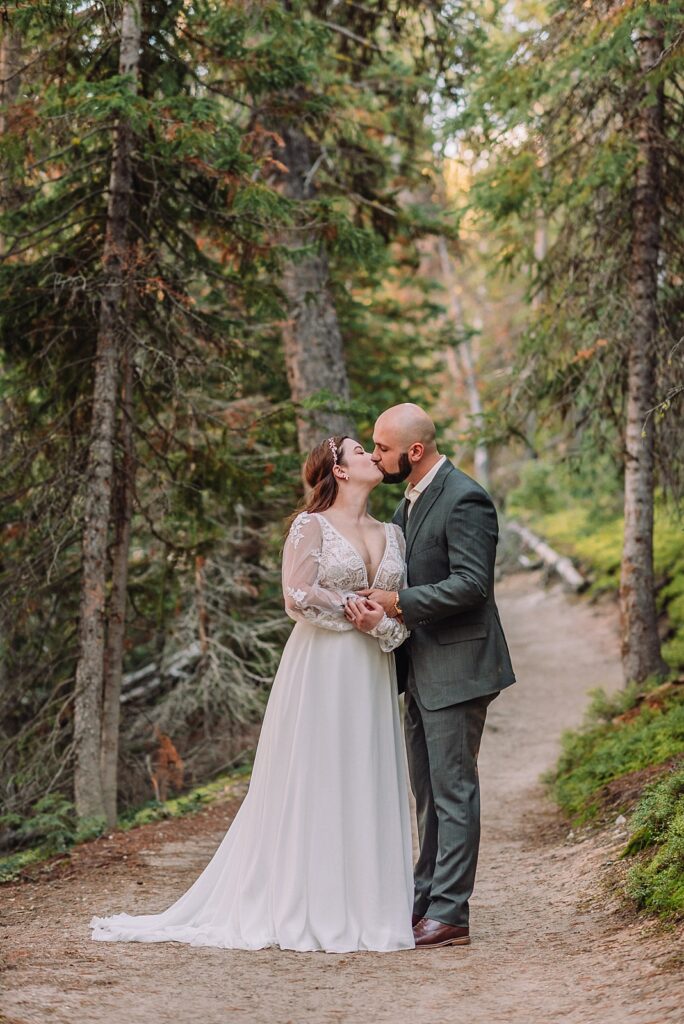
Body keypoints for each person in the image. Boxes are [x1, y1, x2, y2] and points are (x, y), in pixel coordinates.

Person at [90, 436, 415, 954]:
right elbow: (297, 594)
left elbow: (399, 612)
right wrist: (354, 605)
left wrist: (383, 626)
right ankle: (309, 903)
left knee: (365, 773)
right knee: (316, 776)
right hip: (322, 667)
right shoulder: (311, 526)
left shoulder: (393, 532)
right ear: (338, 469)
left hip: (372, 669)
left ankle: (369, 908)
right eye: (360, 451)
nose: (373, 457)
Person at [361, 403, 516, 949]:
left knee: (452, 791)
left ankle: (451, 914)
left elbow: (473, 585)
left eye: (382, 448)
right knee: (426, 792)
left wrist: (398, 602)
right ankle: (425, 898)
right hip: (421, 667)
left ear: (415, 451)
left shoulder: (465, 496)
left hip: (459, 666)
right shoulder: (410, 501)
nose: (377, 456)